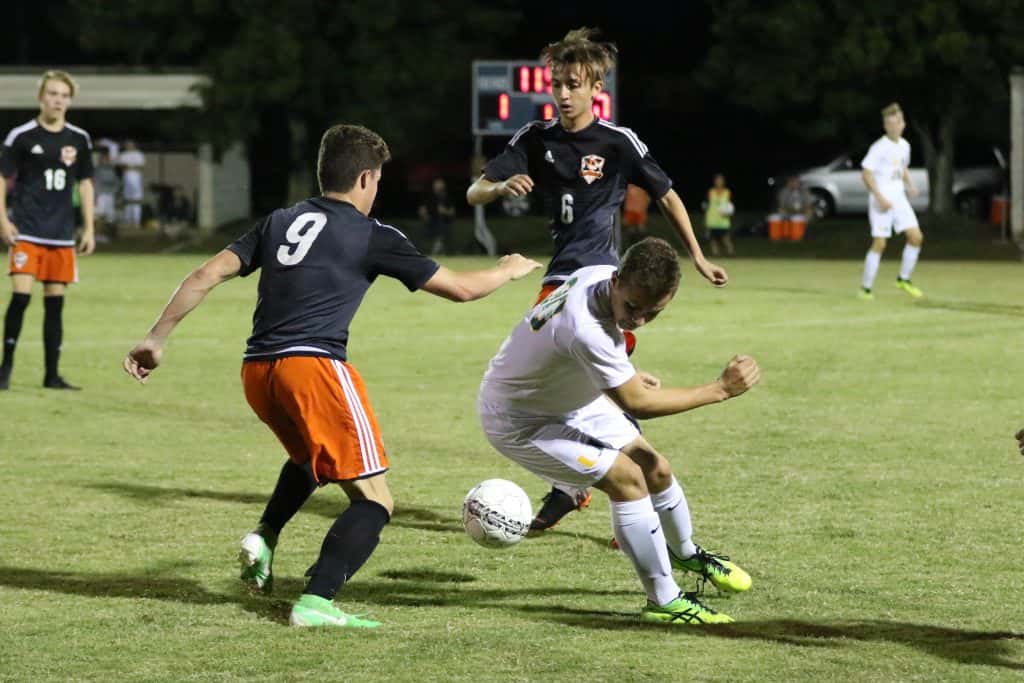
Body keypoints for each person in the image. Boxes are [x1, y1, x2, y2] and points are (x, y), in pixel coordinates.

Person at [123, 124, 541, 628]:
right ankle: (317, 601)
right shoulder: (371, 234)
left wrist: (156, 337)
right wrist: (508, 270)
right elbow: (461, 289)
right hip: (312, 367)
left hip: (258, 372)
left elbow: (206, 274)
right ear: (365, 178)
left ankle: (264, 537)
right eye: (378, 180)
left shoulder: (280, 220)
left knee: (308, 458)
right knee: (376, 500)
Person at [467, 27, 728, 532]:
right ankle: (585, 485)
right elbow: (475, 191)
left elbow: (667, 195)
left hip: (604, 280)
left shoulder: (617, 141)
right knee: (572, 377)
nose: (564, 94)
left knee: (599, 384)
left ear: (595, 88)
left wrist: (697, 255)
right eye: (558, 84)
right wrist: (497, 188)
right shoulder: (536, 138)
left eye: (574, 85)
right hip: (560, 277)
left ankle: (596, 490)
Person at [478, 238, 760, 624]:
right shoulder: (585, 326)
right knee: (627, 479)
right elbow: (637, 404)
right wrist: (721, 389)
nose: (638, 320)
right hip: (520, 418)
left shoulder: (596, 276)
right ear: (616, 281)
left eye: (652, 313)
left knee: (655, 467)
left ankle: (684, 553)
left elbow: (557, 345)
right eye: (632, 307)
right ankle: (664, 601)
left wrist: (619, 374)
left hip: (570, 398)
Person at [0, 69, 96, 391]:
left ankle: (52, 376)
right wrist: (3, 220)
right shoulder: (22, 136)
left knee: (55, 304)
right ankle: (4, 370)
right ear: (41, 97)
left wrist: (89, 228)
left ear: (70, 101)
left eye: (64, 96)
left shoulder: (79, 139)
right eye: (53, 94)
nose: (58, 100)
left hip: (61, 234)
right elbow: (2, 178)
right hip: (27, 230)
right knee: (21, 297)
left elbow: (85, 183)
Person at [859, 102, 924, 300]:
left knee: (916, 237)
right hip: (881, 200)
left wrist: (910, 185)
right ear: (885, 126)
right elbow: (866, 174)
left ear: (903, 124)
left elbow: (902, 167)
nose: (893, 126)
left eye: (896, 122)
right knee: (880, 244)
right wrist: (880, 197)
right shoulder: (879, 147)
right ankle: (865, 288)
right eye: (889, 123)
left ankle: (903, 279)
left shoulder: (905, 146)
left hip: (899, 198)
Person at [418, 177, 455, 255]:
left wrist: (444, 211)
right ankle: (435, 250)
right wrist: (424, 215)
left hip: (443, 222)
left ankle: (436, 251)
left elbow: (452, 212)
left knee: (442, 227)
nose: (439, 186)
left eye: (440, 185)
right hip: (430, 221)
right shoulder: (429, 196)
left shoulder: (446, 197)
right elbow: (422, 209)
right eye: (437, 184)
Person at [704, 173, 734, 256]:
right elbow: (706, 205)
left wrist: (729, 212)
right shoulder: (711, 192)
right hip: (712, 221)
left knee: (726, 239)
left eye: (720, 180)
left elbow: (730, 206)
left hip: (724, 222)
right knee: (713, 240)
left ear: (723, 181)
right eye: (717, 180)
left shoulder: (727, 192)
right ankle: (715, 254)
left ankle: (731, 254)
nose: (718, 182)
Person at [118, 140, 145, 229]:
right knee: (127, 199)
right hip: (126, 178)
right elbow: (122, 166)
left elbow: (141, 166)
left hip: (136, 178)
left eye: (130, 145)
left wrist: (130, 167)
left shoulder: (139, 154)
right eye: (127, 145)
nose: (128, 146)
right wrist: (132, 167)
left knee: (136, 199)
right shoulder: (123, 154)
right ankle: (128, 220)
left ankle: (136, 221)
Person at [93, 147, 119, 236]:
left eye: (107, 159)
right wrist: (96, 195)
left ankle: (109, 234)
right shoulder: (97, 169)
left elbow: (116, 182)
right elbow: (96, 182)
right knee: (99, 214)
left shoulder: (112, 169)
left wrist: (114, 191)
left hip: (110, 194)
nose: (106, 160)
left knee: (110, 216)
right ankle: (97, 234)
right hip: (101, 194)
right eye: (103, 159)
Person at [621, 184, 651, 250]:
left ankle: (643, 246)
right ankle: (629, 245)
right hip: (630, 209)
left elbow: (648, 197)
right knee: (629, 228)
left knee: (641, 229)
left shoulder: (644, 184)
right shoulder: (629, 184)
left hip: (640, 210)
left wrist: (645, 205)